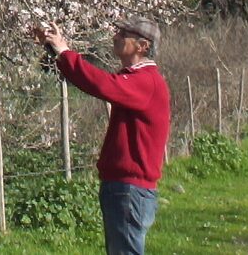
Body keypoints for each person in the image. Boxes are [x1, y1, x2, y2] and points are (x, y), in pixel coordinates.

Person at [31, 17, 171, 255]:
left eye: (122, 34)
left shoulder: (146, 81)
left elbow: (102, 84)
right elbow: (92, 82)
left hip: (130, 189)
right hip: (125, 188)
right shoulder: (140, 79)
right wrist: (55, 49)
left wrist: (65, 51)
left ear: (142, 46)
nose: (115, 37)